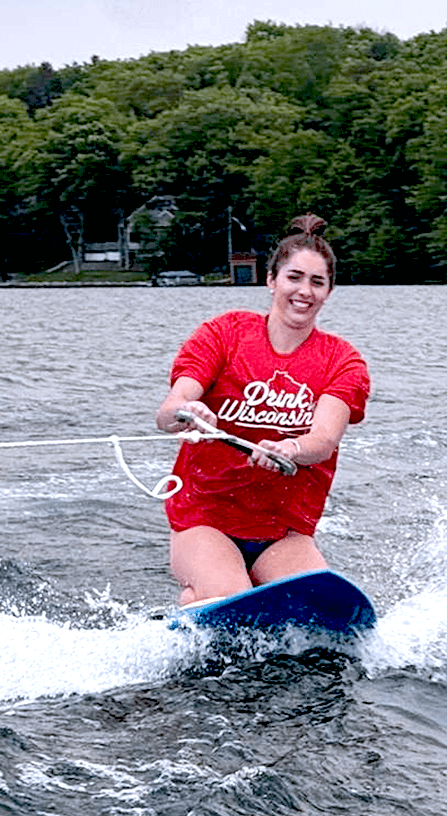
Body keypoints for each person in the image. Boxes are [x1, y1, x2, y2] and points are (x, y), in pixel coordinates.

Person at [155, 214, 370, 606]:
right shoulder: (223, 334)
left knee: (313, 606)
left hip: (283, 530)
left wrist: (291, 449)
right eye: (294, 277)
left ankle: (203, 594)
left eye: (317, 282)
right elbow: (170, 409)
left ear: (328, 292)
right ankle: (200, 598)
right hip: (206, 518)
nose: (304, 290)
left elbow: (323, 439)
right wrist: (189, 411)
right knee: (231, 599)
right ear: (271, 280)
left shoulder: (343, 361)